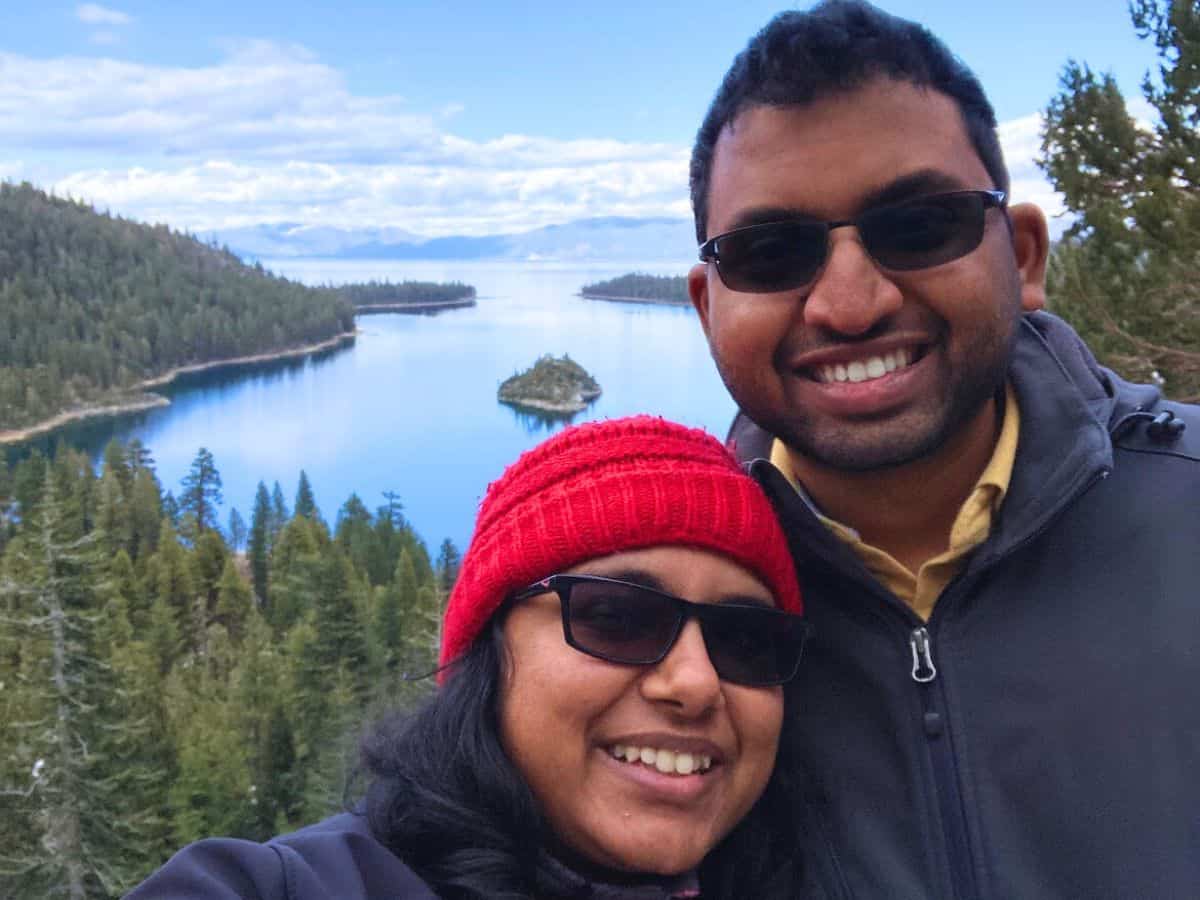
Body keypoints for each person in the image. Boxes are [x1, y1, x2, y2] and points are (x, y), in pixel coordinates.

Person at [685, 2, 1200, 898]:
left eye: (920, 224)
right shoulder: (657, 615)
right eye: (772, 253)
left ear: (1025, 255)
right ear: (707, 307)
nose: (849, 305)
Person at [128, 416, 811, 899]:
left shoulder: (821, 872)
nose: (695, 682)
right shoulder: (298, 887)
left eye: (744, 640)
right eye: (617, 617)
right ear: (487, 654)